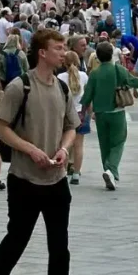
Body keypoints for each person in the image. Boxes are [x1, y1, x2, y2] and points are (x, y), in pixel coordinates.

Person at [0, 29, 84, 275]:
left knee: (59, 243)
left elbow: (71, 126)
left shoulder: (62, 88)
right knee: (18, 237)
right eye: (58, 48)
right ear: (42, 52)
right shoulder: (20, 86)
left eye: (64, 48)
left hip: (57, 177)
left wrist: (64, 150)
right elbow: (0, 127)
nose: (63, 52)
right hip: (25, 178)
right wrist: (30, 150)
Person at [80, 40, 138, 189]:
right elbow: (136, 83)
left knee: (104, 144)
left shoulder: (94, 73)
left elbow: (87, 96)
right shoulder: (118, 69)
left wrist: (83, 113)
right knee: (118, 142)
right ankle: (111, 169)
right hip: (116, 111)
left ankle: (107, 170)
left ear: (98, 57)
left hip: (100, 113)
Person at [58, 50, 89, 185]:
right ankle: (76, 173)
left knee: (65, 145)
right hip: (81, 113)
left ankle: (63, 172)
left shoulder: (60, 77)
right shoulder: (84, 76)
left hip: (66, 114)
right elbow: (87, 95)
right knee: (79, 146)